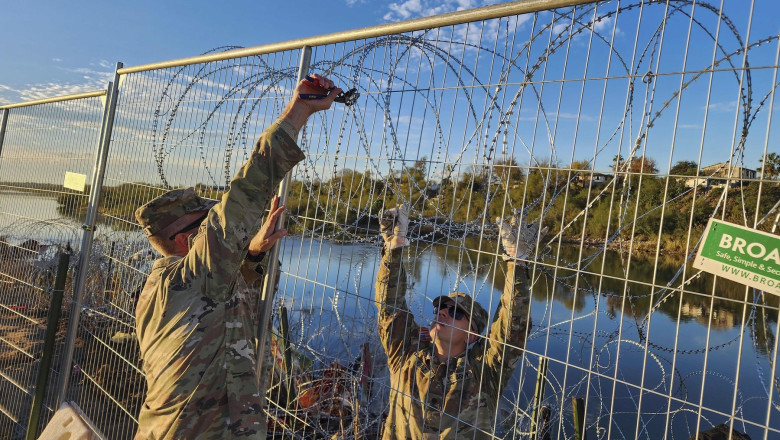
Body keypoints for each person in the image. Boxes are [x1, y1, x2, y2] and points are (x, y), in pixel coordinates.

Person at [133, 75, 341, 439]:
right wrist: (300, 110)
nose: (215, 223)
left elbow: (217, 308)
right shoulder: (193, 276)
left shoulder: (165, 286)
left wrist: (254, 251)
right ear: (185, 240)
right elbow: (248, 189)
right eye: (205, 222)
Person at [375, 205, 547, 439]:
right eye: (440, 308)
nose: (442, 313)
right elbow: (390, 308)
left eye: (456, 313)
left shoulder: (483, 373)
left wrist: (517, 262)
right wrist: (393, 248)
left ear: (472, 336)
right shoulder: (406, 354)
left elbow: (510, 331)